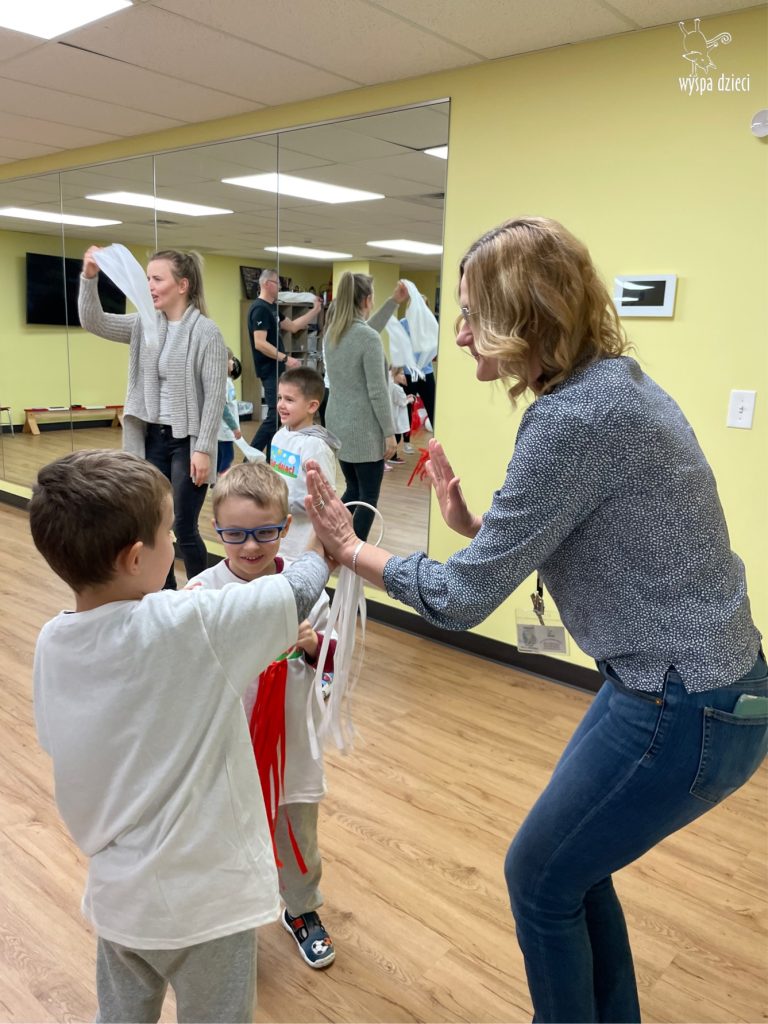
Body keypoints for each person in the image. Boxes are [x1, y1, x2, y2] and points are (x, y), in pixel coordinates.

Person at [302, 217, 766, 1024]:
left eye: (472, 313)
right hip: (698, 688)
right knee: (570, 872)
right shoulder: (616, 386)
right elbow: (595, 529)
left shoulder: (571, 419)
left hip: (683, 704)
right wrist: (476, 526)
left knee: (540, 878)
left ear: (526, 314)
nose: (458, 333)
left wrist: (351, 549)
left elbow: (460, 600)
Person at [29, 449, 329, 1023]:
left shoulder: (52, 642)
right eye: (169, 531)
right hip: (208, 904)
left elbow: (58, 739)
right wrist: (323, 543)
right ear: (135, 557)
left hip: (120, 900)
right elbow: (297, 590)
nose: (175, 540)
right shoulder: (188, 624)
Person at [187, 462, 337, 969]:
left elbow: (335, 663)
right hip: (229, 750)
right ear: (216, 530)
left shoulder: (307, 590)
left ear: (286, 527)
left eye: (265, 532)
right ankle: (229, 918)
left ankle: (301, 909)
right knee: (226, 833)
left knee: (297, 834)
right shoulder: (202, 593)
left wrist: (313, 645)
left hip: (291, 746)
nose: (250, 546)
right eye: (235, 534)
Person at [79, 246, 226, 588]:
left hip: (187, 442)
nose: (150, 287)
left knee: (183, 526)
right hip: (151, 439)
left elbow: (215, 396)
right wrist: (89, 276)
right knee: (154, 525)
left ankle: (203, 594)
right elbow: (93, 321)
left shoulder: (207, 332)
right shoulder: (143, 324)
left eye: (157, 279)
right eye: (148, 279)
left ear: (183, 285)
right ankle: (166, 595)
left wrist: (203, 449)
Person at [324, 273, 408, 540]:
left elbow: (367, 331)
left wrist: (393, 302)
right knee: (368, 497)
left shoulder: (333, 334)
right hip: (363, 430)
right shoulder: (366, 338)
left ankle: (330, 538)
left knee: (353, 490)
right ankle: (353, 552)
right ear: (367, 300)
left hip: (338, 426)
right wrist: (390, 433)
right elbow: (377, 392)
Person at [248, 269, 321, 458]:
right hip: (268, 369)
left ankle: (271, 461)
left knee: (276, 418)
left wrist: (314, 311)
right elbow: (260, 343)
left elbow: (294, 326)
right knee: (274, 416)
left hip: (277, 369)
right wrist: (286, 358)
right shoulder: (259, 309)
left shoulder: (273, 308)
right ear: (266, 284)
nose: (280, 287)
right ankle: (249, 459)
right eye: (277, 283)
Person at [270, 367, 340, 563]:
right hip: (278, 535)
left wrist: (285, 503)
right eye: (280, 397)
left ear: (312, 406)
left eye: (289, 400)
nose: (281, 405)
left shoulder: (315, 446)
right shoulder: (279, 436)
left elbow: (326, 498)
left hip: (303, 543)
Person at [217, 348, 243, 477]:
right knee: (228, 456)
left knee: (220, 456)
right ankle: (223, 481)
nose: (233, 362)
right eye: (230, 359)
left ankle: (215, 481)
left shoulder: (226, 381)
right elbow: (223, 407)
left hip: (223, 430)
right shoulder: (225, 383)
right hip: (225, 429)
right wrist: (234, 427)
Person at [387, 365, 414, 465]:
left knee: (396, 436)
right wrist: (410, 399)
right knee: (397, 437)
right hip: (396, 417)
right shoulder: (397, 388)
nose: (404, 376)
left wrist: (406, 398)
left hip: (393, 415)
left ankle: (392, 456)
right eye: (401, 374)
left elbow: (399, 399)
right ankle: (390, 457)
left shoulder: (391, 386)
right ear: (394, 374)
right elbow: (402, 402)